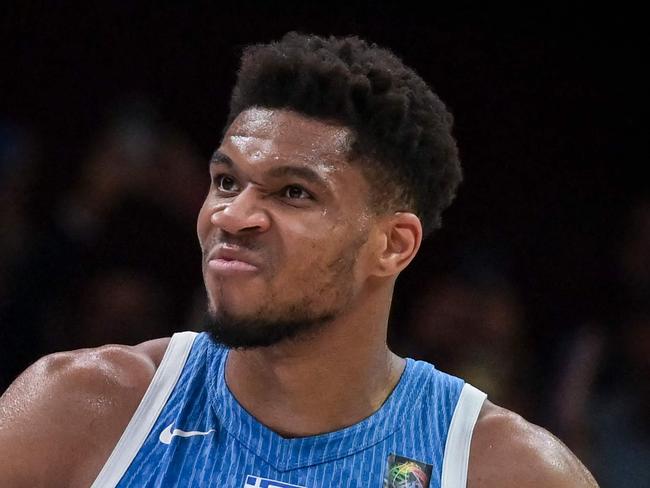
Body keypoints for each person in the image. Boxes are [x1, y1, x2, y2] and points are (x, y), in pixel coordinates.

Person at [0, 32, 598, 487]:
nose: (232, 216)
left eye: (293, 193)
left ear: (393, 245)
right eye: (227, 181)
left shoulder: (504, 469)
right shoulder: (79, 408)